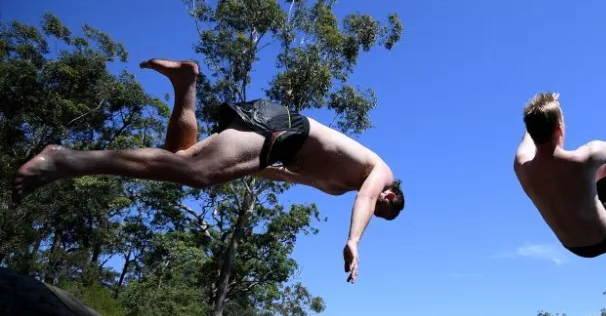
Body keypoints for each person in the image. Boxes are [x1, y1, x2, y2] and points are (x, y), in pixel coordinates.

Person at [12, 58, 405, 284]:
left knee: (180, 158)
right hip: (284, 127)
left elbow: (283, 173)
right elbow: (366, 197)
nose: (375, 209)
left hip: (272, 142)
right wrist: (354, 240)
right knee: (193, 172)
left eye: (377, 215)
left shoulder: (338, 187)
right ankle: (63, 160)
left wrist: (231, 170)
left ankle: (186, 82)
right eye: (382, 211)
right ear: (389, 195)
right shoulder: (380, 172)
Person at [513, 92, 606, 258]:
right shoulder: (586, 158)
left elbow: (529, 135)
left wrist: (541, 113)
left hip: (575, 248)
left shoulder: (522, 166)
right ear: (559, 128)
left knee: (574, 189)